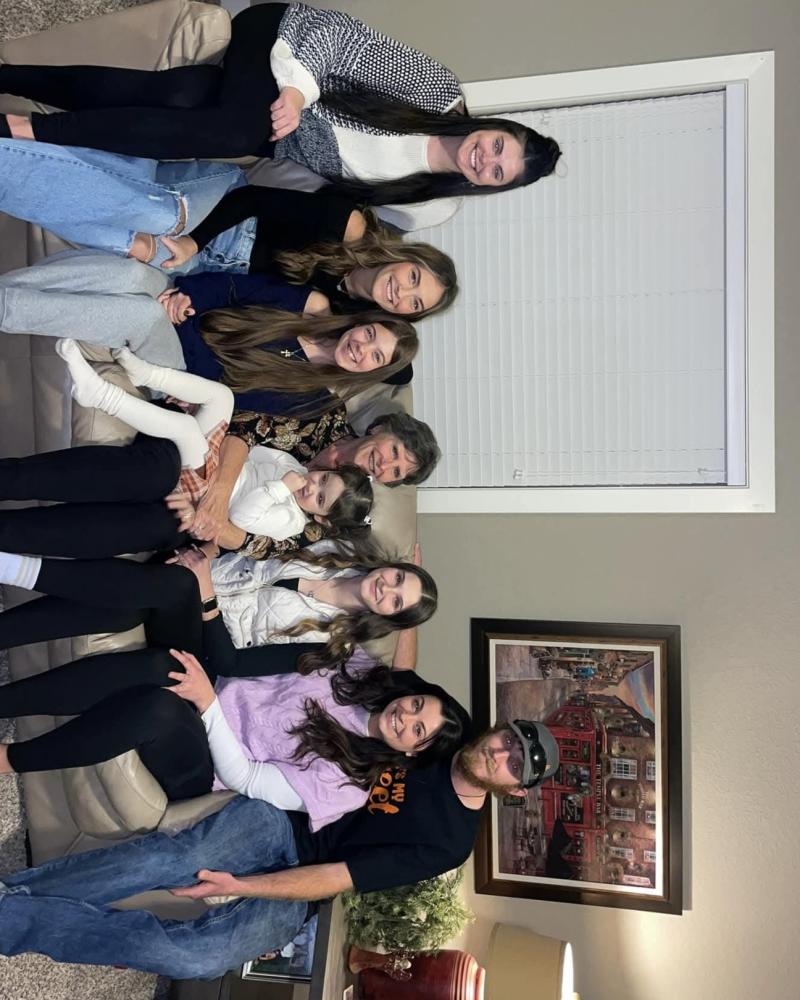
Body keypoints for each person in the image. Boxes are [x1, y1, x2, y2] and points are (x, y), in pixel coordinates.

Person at [0, 718, 559, 978]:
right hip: (280, 822)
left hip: (306, 887)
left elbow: (338, 877)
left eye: (514, 764)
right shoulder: (438, 732)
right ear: (495, 729)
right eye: (505, 741)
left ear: (513, 790)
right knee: (167, 860)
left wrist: (240, 885)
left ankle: (11, 908)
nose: (498, 755)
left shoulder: (450, 843)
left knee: (196, 959)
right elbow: (397, 682)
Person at [0, 4, 561, 229]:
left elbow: (335, 208)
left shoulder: (427, 203)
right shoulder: (435, 92)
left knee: (179, 96)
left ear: (489, 186)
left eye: (497, 172)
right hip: (283, 42)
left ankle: (10, 77)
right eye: (498, 145)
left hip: (263, 127)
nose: (485, 158)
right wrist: (296, 92)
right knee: (233, 130)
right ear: (494, 128)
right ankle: (32, 132)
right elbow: (339, 37)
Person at [0, 644, 467, 830]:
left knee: (157, 708)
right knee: (161, 663)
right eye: (416, 704)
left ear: (413, 753)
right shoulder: (359, 672)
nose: (405, 717)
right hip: (214, 691)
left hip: (207, 764)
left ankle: (11, 759)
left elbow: (246, 779)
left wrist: (207, 704)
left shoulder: (350, 786)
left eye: (418, 730)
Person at [0, 408, 439, 559]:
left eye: (397, 473)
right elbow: (243, 430)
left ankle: (9, 535)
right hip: (199, 449)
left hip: (205, 514)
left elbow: (250, 542)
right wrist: (213, 493)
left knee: (158, 526)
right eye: (395, 451)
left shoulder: (327, 518)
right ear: (383, 428)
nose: (387, 465)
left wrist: (205, 517)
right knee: (156, 472)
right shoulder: (323, 414)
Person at [0, 537, 438, 672]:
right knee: (128, 605)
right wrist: (204, 555)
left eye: (397, 602)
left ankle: (17, 568)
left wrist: (204, 590)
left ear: (390, 618)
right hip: (193, 573)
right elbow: (250, 540)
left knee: (170, 587)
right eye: (399, 578)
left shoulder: (332, 646)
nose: (387, 588)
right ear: (392, 565)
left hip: (200, 639)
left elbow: (230, 664)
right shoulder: (333, 547)